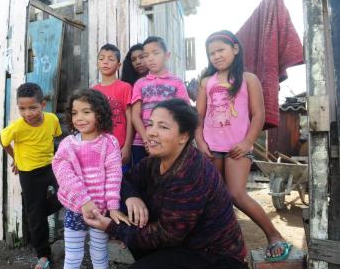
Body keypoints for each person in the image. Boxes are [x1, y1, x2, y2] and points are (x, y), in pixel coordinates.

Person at [83, 99, 249, 269]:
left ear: (183, 136)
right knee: (133, 211)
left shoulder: (191, 173)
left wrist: (113, 228)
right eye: (151, 124)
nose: (152, 133)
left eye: (163, 127)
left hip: (213, 255)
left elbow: (167, 235)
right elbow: (122, 180)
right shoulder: (154, 161)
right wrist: (132, 197)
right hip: (181, 244)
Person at [194, 30, 291, 261]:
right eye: (211, 53)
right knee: (214, 199)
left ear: (235, 49)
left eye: (221, 50)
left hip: (238, 148)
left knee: (237, 194)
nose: (216, 56)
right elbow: (198, 116)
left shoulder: (248, 79)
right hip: (211, 147)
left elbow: (258, 114)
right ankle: (223, 245)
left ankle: (274, 235)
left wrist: (247, 142)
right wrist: (200, 142)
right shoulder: (206, 82)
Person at [52, 89, 130, 269]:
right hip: (75, 209)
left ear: (100, 113)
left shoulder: (109, 142)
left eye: (86, 112)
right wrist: (84, 201)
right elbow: (64, 174)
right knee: (72, 255)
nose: (79, 117)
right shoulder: (68, 145)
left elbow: (114, 175)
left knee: (100, 252)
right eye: (74, 113)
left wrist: (112, 207)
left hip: (101, 210)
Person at [0, 83, 62, 269]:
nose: (27, 113)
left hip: (51, 167)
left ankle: (39, 213)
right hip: (29, 173)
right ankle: (43, 255)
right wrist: (16, 158)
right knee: (35, 216)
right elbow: (2, 140)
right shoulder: (17, 127)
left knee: (66, 196)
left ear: (43, 105)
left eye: (32, 107)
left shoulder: (52, 120)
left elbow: (55, 137)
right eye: (22, 109)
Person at [131, 36, 190, 165]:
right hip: (142, 143)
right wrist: (146, 139)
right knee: (142, 180)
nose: (150, 58)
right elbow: (135, 116)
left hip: (167, 141)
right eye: (146, 55)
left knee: (168, 179)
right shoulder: (140, 83)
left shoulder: (177, 83)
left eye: (155, 53)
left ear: (167, 55)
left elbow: (184, 114)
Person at [93, 44, 133, 172]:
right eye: (101, 58)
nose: (105, 62)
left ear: (118, 65)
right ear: (97, 63)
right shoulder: (93, 91)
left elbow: (130, 119)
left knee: (120, 185)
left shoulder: (125, 88)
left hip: (119, 148)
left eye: (111, 59)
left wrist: (127, 146)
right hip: (98, 148)